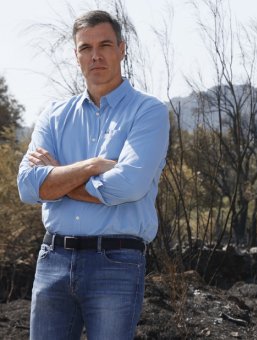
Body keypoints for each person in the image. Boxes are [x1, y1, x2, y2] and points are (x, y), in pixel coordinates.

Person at [17, 10, 169, 339]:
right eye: (86, 48)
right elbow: (28, 187)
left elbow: (128, 186)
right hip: (52, 258)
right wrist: (92, 166)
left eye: (105, 45)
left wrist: (57, 179)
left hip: (115, 261)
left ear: (122, 49)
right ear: (76, 56)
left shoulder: (148, 111)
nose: (95, 55)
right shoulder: (54, 116)